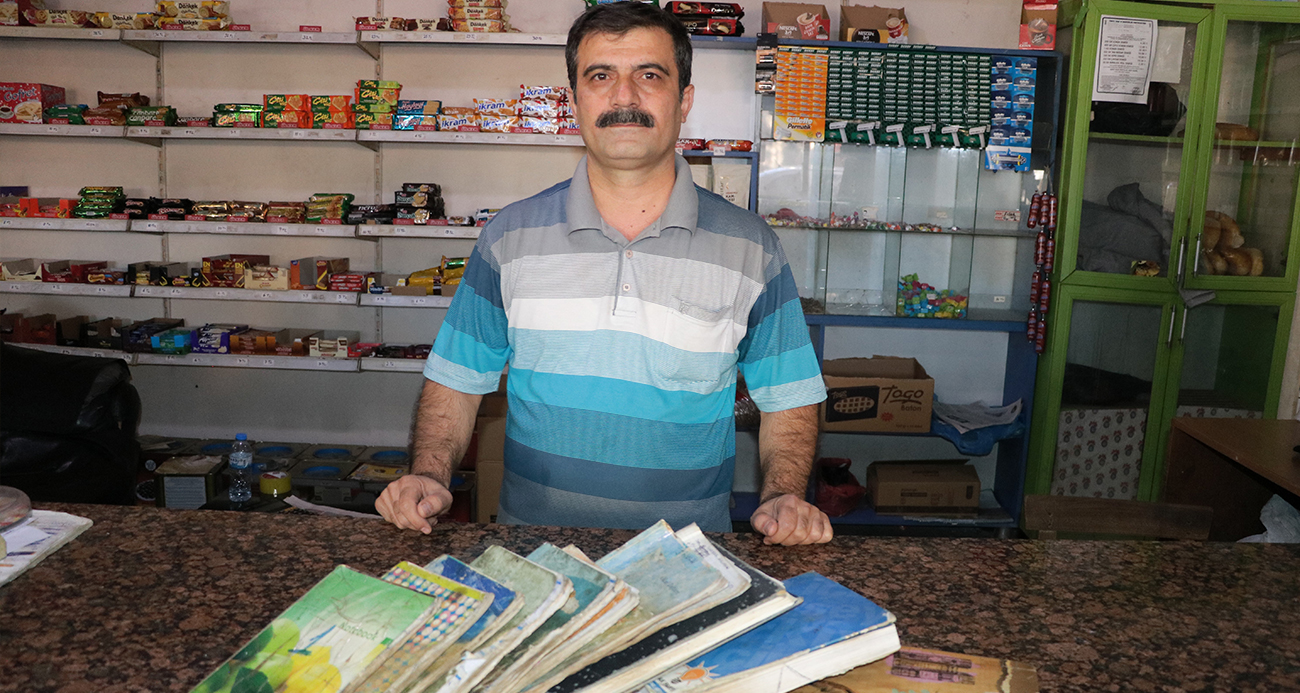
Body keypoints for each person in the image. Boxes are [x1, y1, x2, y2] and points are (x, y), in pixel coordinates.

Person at [377, 2, 832, 545]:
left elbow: (789, 393)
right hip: (535, 551)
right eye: (600, 77)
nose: (624, 97)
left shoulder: (751, 246)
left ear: (684, 100)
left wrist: (782, 493)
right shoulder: (508, 236)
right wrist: (429, 475)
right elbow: (456, 380)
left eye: (649, 75)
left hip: (690, 556)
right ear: (574, 102)